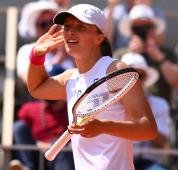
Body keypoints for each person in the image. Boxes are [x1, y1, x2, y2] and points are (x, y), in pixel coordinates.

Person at [27, 4, 157, 170]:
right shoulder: (71, 77)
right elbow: (36, 89)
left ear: (99, 37)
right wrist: (37, 55)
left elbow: (149, 129)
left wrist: (103, 126)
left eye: (81, 26)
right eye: (67, 26)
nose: (70, 32)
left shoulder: (116, 70)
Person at [113, 4, 178, 102]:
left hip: (160, 111)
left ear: (154, 29)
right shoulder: (120, 55)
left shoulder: (167, 54)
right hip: (127, 109)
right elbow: (112, 87)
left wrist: (160, 58)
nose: (142, 32)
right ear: (131, 31)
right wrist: (130, 55)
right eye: (137, 29)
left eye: (146, 27)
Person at [10, 65, 74, 170]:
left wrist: (52, 145)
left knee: (63, 150)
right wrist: (39, 144)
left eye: (54, 84)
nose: (49, 89)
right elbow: (21, 135)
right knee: (18, 127)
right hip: (36, 156)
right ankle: (26, 167)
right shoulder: (28, 109)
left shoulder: (74, 110)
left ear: (65, 86)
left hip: (62, 158)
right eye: (46, 84)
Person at [122, 53, 170, 170]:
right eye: (130, 75)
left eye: (139, 75)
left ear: (146, 78)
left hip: (149, 162)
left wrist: (146, 116)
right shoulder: (109, 104)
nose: (135, 80)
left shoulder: (159, 104)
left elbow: (162, 145)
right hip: (119, 159)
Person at [17, 0, 75, 86]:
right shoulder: (26, 51)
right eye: (43, 24)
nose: (49, 27)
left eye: (53, 22)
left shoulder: (75, 46)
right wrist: (58, 60)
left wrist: (72, 55)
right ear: (37, 29)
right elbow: (29, 82)